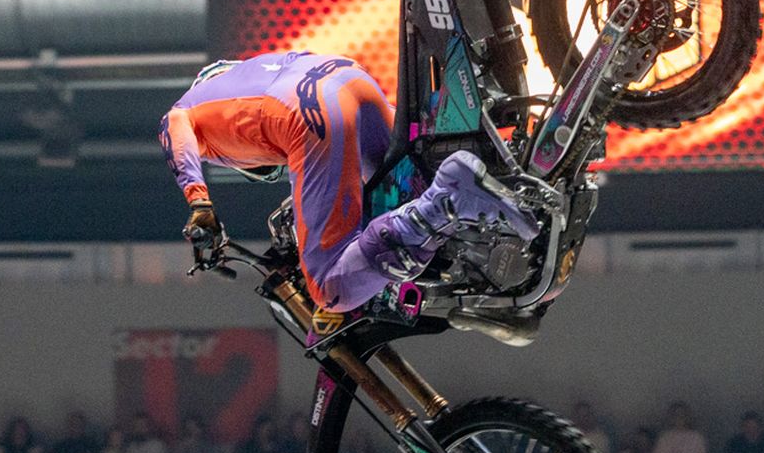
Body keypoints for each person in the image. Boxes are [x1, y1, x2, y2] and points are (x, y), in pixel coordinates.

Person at [161, 53, 539, 312]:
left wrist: (200, 204)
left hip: (306, 114)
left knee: (329, 286)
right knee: (402, 193)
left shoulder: (189, 106)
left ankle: (447, 203)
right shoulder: (254, 71)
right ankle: (517, 172)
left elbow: (175, 129)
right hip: (350, 80)